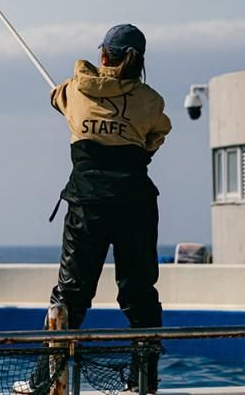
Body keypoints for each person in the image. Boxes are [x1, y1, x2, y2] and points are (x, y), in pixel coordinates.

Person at [15, 24, 171, 394]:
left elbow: (58, 101)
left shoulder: (74, 90)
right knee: (139, 293)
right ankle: (144, 381)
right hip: (135, 205)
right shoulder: (152, 102)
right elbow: (156, 135)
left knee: (70, 295)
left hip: (87, 206)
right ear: (139, 59)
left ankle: (43, 383)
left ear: (103, 55)